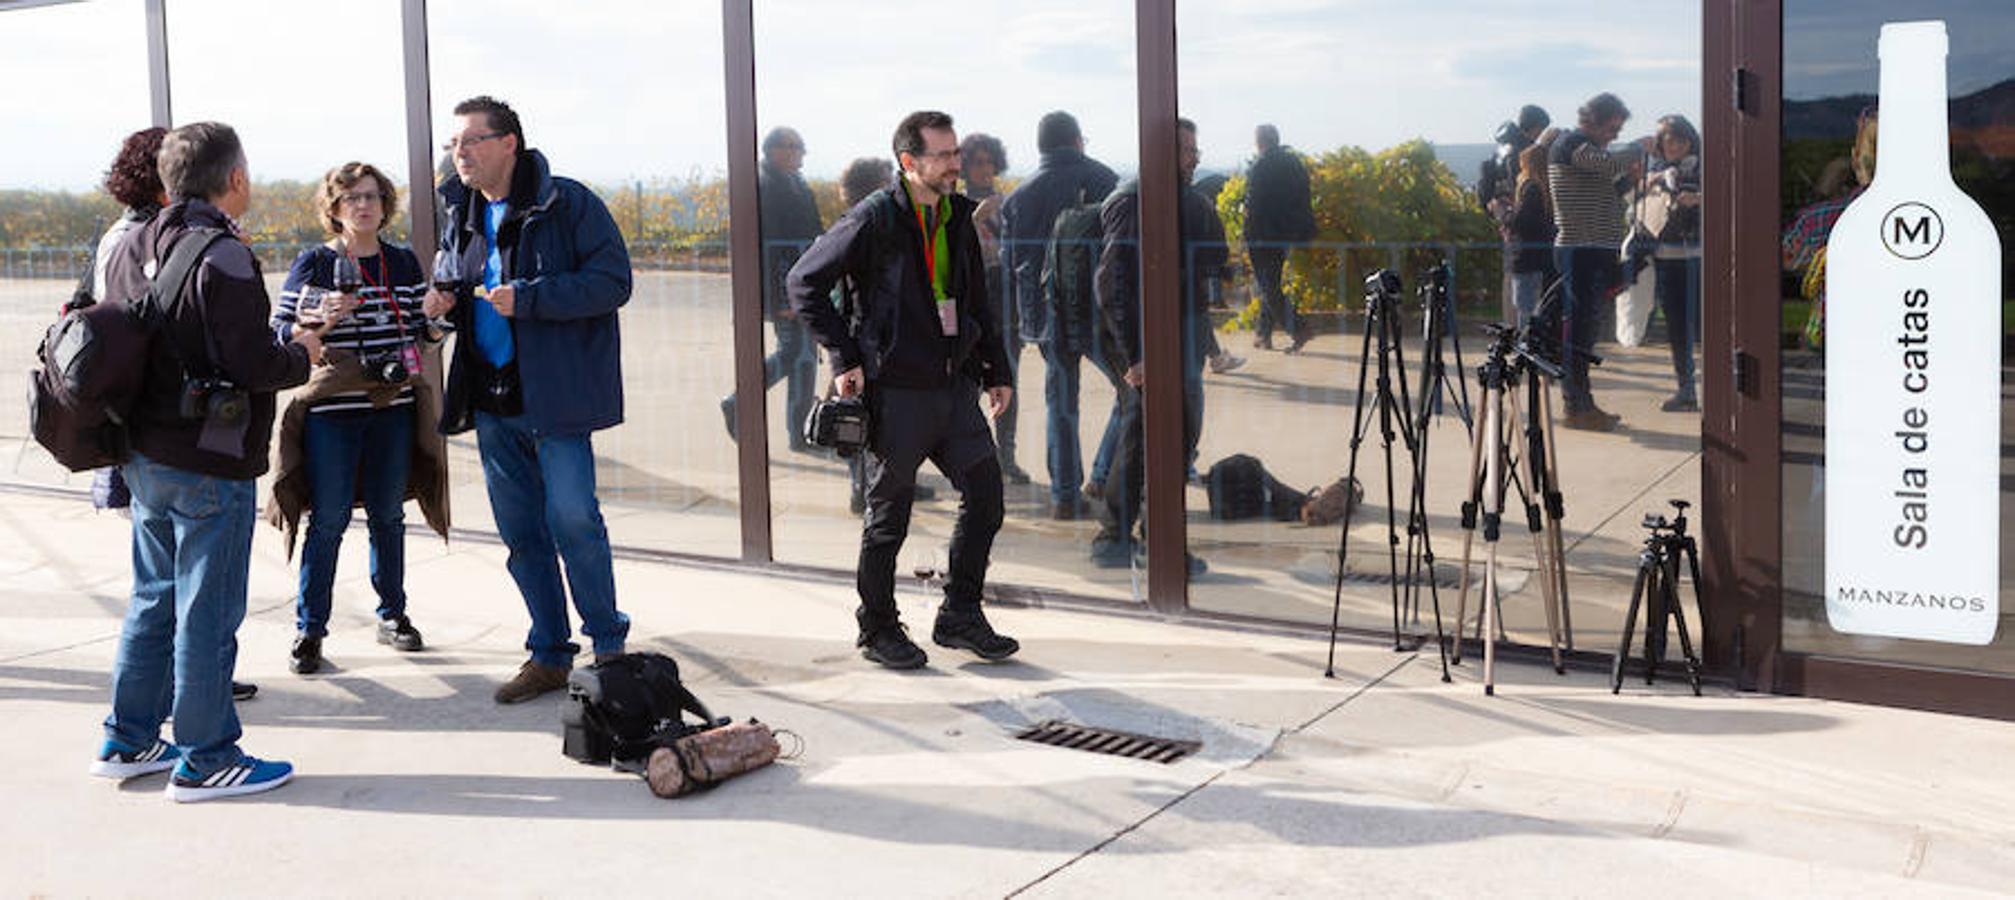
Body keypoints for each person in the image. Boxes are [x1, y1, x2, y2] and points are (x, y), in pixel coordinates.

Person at [92, 122, 322, 801]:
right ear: (235, 180)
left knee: (152, 600)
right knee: (207, 612)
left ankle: (128, 738)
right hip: (207, 459)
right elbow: (251, 363)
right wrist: (302, 352)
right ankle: (206, 756)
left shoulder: (133, 241)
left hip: (143, 453)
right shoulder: (223, 254)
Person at [789, 110, 1020, 670]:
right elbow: (804, 282)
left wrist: (997, 368)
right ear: (909, 162)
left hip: (952, 388)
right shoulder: (872, 220)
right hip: (895, 393)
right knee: (888, 517)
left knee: (986, 496)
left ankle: (960, 614)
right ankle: (877, 629)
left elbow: (976, 303)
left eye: (956, 153)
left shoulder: (956, 217)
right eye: (942, 156)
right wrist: (844, 356)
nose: (954, 165)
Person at [422, 95, 633, 703]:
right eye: (453, 144)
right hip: (492, 401)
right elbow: (458, 287)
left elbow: (613, 281)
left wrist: (531, 298)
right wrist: (441, 312)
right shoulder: (458, 211)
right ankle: (548, 654)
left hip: (556, 400)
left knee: (574, 522)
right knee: (522, 535)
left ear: (509, 142)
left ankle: (609, 650)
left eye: (471, 141)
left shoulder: (567, 202)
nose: (459, 153)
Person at [269, 162, 448, 674]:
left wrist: (435, 320)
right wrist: (321, 319)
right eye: (351, 199)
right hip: (333, 412)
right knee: (328, 521)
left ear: (383, 204)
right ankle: (310, 629)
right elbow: (281, 332)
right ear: (334, 209)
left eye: (370, 197)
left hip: (392, 405)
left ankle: (393, 615)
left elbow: (422, 337)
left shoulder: (403, 264)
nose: (363, 206)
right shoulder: (314, 265)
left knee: (389, 517)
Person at [1090, 118, 1217, 576]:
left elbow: (1211, 256)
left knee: (1148, 435)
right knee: (1166, 437)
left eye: (1195, 149)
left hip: (1160, 335)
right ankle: (1150, 544)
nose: (1195, 157)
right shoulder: (1134, 202)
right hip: (1148, 340)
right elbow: (1112, 281)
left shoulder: (1170, 199)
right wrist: (1135, 355)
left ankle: (1119, 538)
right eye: (1186, 149)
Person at [1001, 111, 1118, 520]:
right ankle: (1103, 475)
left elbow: (1012, 261)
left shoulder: (1019, 197)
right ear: (1077, 141)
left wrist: (1023, 320)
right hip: (1095, 311)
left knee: (1061, 404)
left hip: (1046, 318)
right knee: (1135, 392)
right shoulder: (1104, 181)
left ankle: (1065, 496)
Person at [720, 127, 824, 451]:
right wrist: (782, 298)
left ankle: (800, 434)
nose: (799, 153)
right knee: (792, 352)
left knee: (805, 358)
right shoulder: (764, 186)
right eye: (793, 147)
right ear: (773, 150)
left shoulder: (797, 184)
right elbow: (771, 249)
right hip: (785, 288)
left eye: (801, 147)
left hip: (804, 284)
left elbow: (813, 236)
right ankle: (738, 401)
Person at [1547, 92, 1639, 431]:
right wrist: (1640, 149)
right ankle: (1577, 406)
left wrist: (1629, 178)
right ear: (1593, 120)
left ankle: (1581, 404)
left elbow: (1614, 186)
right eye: (1613, 128)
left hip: (1592, 250)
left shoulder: (1585, 151)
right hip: (1581, 249)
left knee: (1585, 331)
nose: (1615, 136)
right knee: (1580, 331)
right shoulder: (1572, 144)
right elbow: (1611, 165)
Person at [959, 132, 1030, 486]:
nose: (984, 169)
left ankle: (1006, 457)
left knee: (1008, 382)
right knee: (968, 386)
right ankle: (972, 459)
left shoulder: (1008, 202)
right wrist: (973, 219)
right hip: (974, 307)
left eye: (989, 161)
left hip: (1006, 303)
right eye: (977, 162)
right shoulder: (955, 203)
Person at [1644, 115, 1703, 412]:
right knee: (1677, 327)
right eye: (1668, 140)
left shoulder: (1703, 167)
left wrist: (1701, 199)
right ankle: (1687, 389)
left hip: (1699, 255)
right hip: (1666, 257)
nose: (1675, 146)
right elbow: (1637, 204)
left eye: (1680, 140)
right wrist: (1649, 184)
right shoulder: (1654, 171)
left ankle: (1717, 388)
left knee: (1706, 325)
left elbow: (1729, 198)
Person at [1243, 123, 1316, 352]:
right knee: (1271, 283)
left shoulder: (1260, 165)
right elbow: (1304, 195)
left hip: (1262, 235)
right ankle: (1263, 334)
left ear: (1260, 141)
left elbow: (1252, 204)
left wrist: (1247, 232)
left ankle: (1299, 328)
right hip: (1285, 235)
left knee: (1268, 286)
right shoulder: (1293, 162)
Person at [1508, 135, 1558, 327]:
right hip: (1543, 257)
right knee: (1538, 308)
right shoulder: (1546, 189)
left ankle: (1526, 349)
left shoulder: (1530, 188)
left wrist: (1505, 215)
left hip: (1526, 257)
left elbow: (1522, 221)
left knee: (1525, 308)